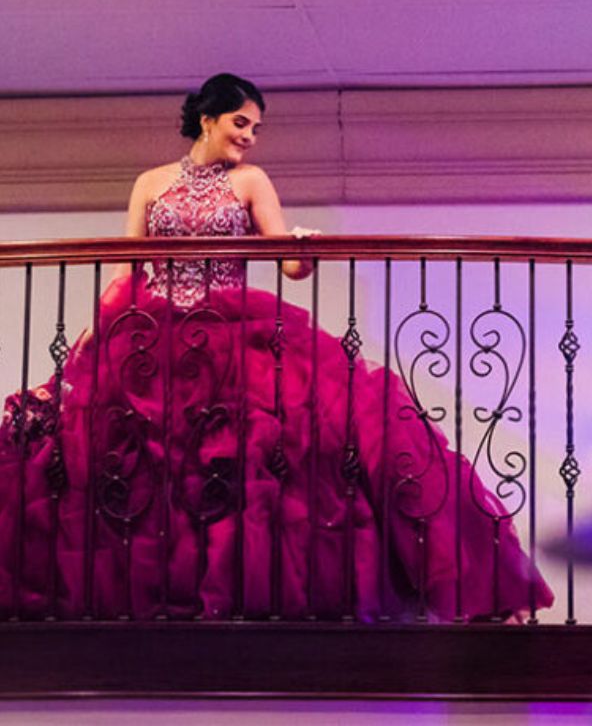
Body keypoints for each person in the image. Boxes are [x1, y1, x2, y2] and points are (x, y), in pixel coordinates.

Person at [0, 74, 552, 621]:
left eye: (256, 128)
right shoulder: (149, 182)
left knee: (294, 444)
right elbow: (126, 268)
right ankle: (164, 595)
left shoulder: (251, 182)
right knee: (123, 461)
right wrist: (104, 329)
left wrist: (303, 247)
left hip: (230, 332)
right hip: (152, 334)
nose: (249, 137)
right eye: (241, 123)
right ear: (207, 118)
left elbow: (289, 266)